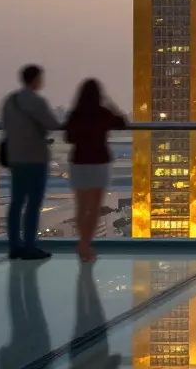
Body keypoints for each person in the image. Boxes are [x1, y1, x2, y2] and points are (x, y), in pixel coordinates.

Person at [1, 64, 60, 260]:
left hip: (15, 157)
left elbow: (7, 126)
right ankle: (29, 245)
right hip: (35, 157)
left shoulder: (10, 100)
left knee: (16, 202)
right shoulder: (36, 101)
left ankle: (14, 245)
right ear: (36, 80)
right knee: (33, 203)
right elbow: (52, 124)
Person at [63, 79, 126, 262]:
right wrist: (109, 103)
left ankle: (83, 244)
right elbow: (122, 122)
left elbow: (68, 137)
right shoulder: (103, 113)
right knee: (94, 208)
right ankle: (85, 245)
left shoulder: (75, 114)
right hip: (99, 163)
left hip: (79, 163)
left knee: (81, 208)